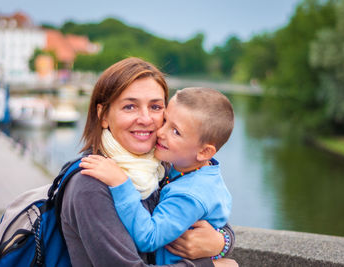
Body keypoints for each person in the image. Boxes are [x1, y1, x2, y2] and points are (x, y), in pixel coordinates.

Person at [60, 57, 238, 267]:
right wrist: (215, 265)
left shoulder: (162, 166)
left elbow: (212, 216)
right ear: (103, 115)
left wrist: (222, 242)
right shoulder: (92, 184)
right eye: (130, 107)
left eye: (155, 107)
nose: (145, 119)